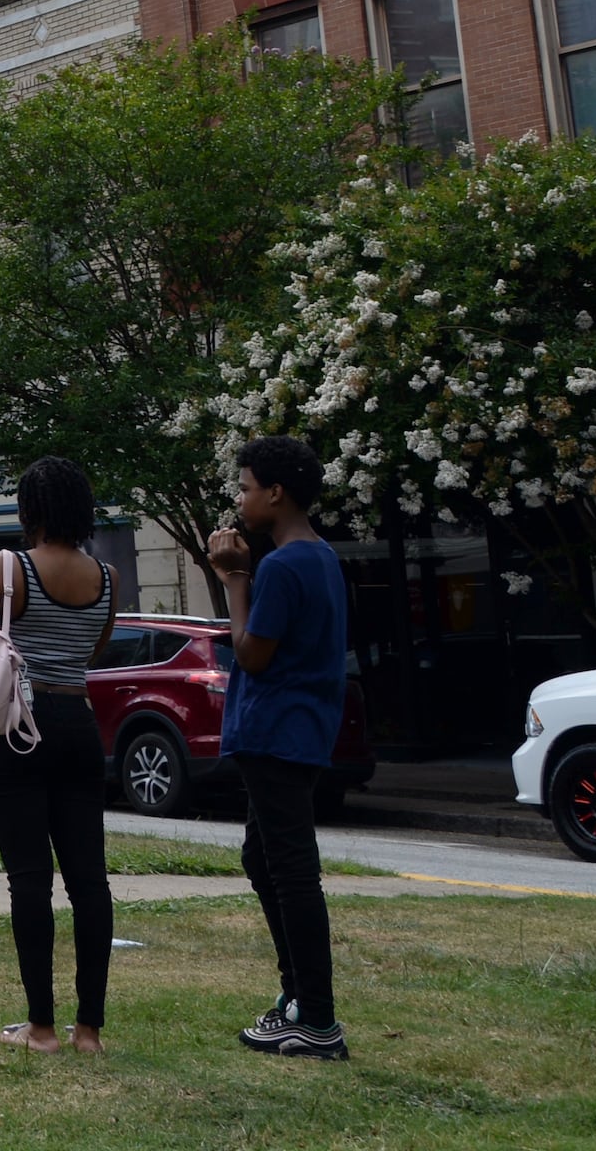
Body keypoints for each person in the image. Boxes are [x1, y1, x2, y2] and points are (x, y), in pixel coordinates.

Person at [0, 457, 121, 1055]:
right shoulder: (106, 575)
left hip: (18, 724)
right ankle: (90, 1031)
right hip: (78, 722)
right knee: (89, 881)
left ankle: (42, 1028)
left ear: (29, 511)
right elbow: (93, 650)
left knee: (30, 881)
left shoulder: (6, 566)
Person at [211, 434, 351, 1061]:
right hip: (293, 732)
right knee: (262, 860)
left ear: (275, 493)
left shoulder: (284, 565)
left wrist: (235, 578)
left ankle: (317, 1021)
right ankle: (296, 1001)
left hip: (278, 733)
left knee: (291, 871)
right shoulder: (319, 557)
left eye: (245, 487)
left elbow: (252, 652)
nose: (239, 499)